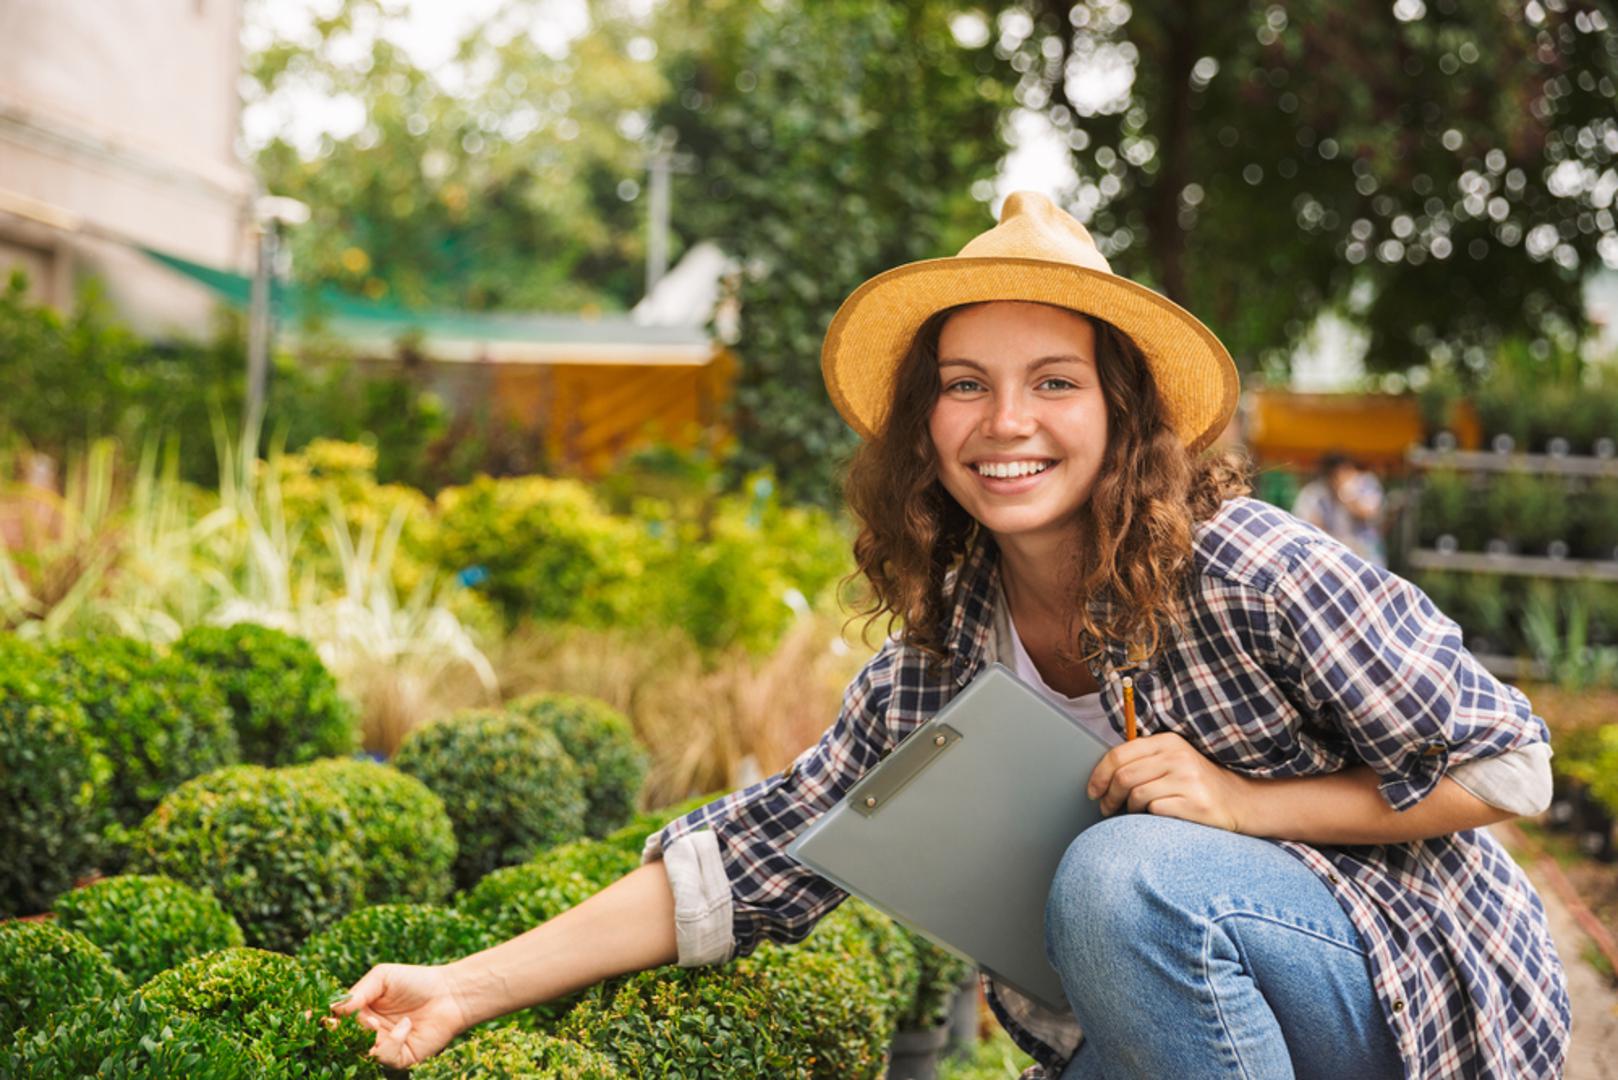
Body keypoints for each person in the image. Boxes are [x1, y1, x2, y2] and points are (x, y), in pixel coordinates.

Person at [332, 192, 1568, 1079]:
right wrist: (465, 985)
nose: (1003, 420)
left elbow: (1509, 764)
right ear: (925, 419)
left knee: (1121, 871)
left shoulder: (1249, 565)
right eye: (965, 382)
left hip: (1413, 998)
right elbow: (760, 855)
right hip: (1191, 1015)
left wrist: (1244, 806)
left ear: (1122, 411)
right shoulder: (942, 654)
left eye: (1053, 381)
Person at [1293, 450, 1387, 566]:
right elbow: (1308, 524)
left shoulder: (1366, 483)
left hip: (1366, 556)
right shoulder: (1314, 493)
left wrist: (1346, 494)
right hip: (1331, 557)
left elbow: (1368, 513)